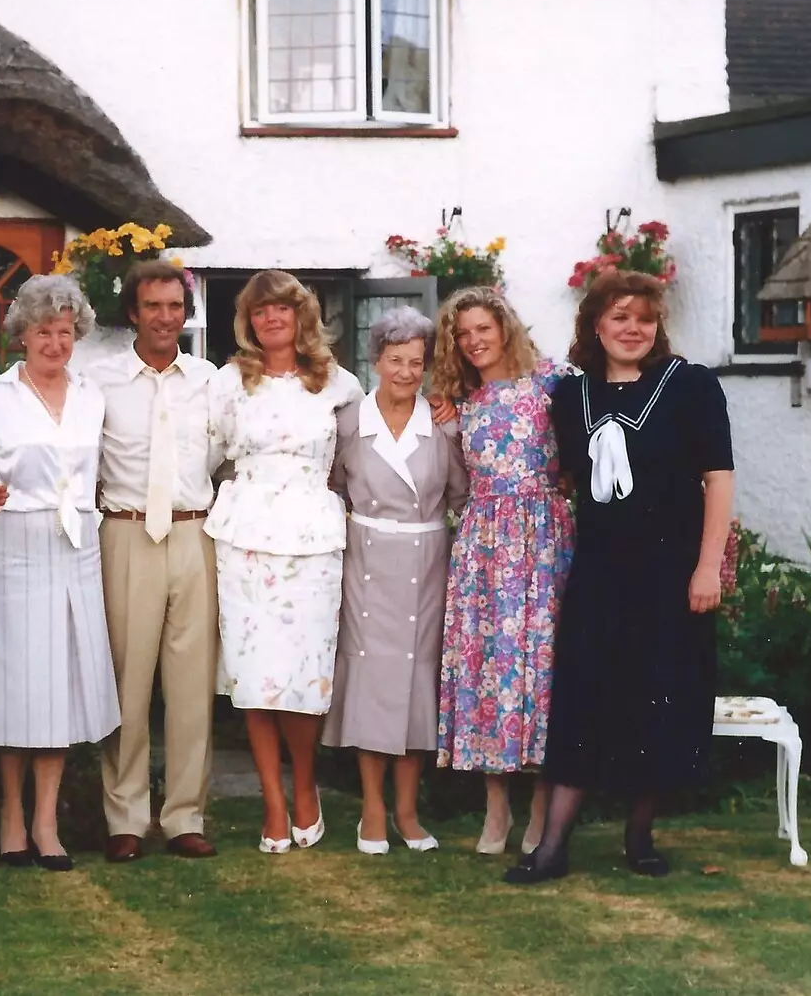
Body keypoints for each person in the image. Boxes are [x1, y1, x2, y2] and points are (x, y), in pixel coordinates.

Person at [0, 260, 221, 863]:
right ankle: (126, 819)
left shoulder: (212, 381)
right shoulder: (102, 382)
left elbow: (233, 449)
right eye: (153, 306)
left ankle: (186, 816)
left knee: (192, 688)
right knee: (126, 680)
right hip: (123, 533)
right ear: (133, 314)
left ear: (186, 313)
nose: (165, 317)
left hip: (194, 534)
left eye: (175, 306)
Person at [506, 272, 734, 885]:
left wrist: (708, 565)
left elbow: (719, 479)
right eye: (619, 317)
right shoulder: (569, 396)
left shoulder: (689, 385)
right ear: (596, 326)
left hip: (671, 570)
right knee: (583, 699)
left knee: (659, 699)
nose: (632, 329)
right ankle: (553, 846)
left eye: (644, 318)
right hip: (601, 570)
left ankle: (640, 834)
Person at [205, 269, 363, 853]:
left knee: (304, 677)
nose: (271, 319)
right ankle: (273, 801)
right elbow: (209, 454)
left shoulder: (339, 385)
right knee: (254, 675)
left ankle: (305, 788)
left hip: (313, 537)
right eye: (259, 311)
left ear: (302, 317)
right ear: (247, 322)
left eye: (282, 309)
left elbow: (361, 454)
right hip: (245, 534)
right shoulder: (228, 383)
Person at [0, 276, 120, 871]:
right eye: (42, 332)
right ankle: (10, 815)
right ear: (21, 335)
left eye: (64, 331)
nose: (54, 343)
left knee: (59, 679)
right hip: (16, 540)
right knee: (16, 680)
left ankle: (47, 821)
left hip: (76, 541)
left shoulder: (91, 396)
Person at [430, 286, 573, 856]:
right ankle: (496, 810)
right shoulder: (462, 398)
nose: (473, 341)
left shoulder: (554, 381)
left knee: (541, 671)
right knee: (489, 668)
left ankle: (541, 810)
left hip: (542, 543)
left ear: (505, 326)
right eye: (463, 335)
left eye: (482, 329)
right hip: (483, 547)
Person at [322, 307, 467, 855]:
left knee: (415, 681)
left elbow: (459, 496)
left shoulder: (444, 424)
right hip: (365, 560)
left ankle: (408, 811)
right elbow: (334, 486)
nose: (407, 372)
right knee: (373, 681)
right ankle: (372, 811)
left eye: (417, 362)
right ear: (376, 360)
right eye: (396, 360)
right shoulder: (349, 423)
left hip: (428, 560)